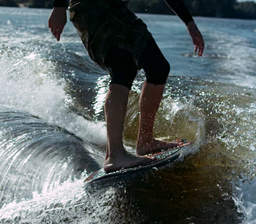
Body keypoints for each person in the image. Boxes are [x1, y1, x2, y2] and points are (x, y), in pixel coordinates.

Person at [48, 0, 204, 173]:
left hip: (119, 9)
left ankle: (146, 141)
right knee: (123, 67)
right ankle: (114, 155)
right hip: (91, 8)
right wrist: (59, 7)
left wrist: (189, 22)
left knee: (158, 67)